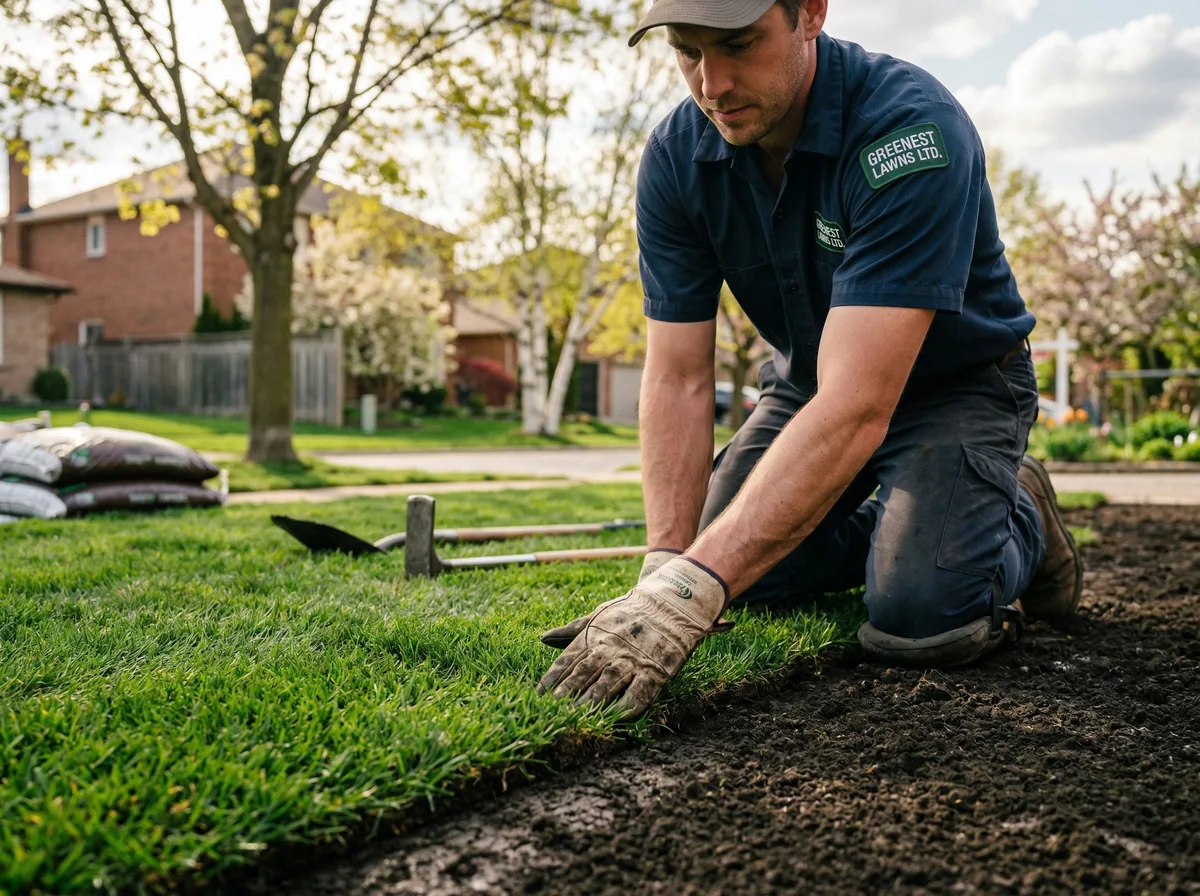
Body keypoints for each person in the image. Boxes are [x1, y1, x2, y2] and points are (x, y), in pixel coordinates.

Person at [537, 0, 1083, 719]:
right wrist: (666, 567)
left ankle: (1020, 514)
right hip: (809, 387)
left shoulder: (909, 130)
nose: (713, 84)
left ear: (811, 13)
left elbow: (861, 404)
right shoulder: (677, 157)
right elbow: (679, 374)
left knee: (921, 615)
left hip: (958, 388)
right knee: (732, 567)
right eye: (688, 51)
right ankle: (909, 524)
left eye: (737, 44)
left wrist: (695, 585)